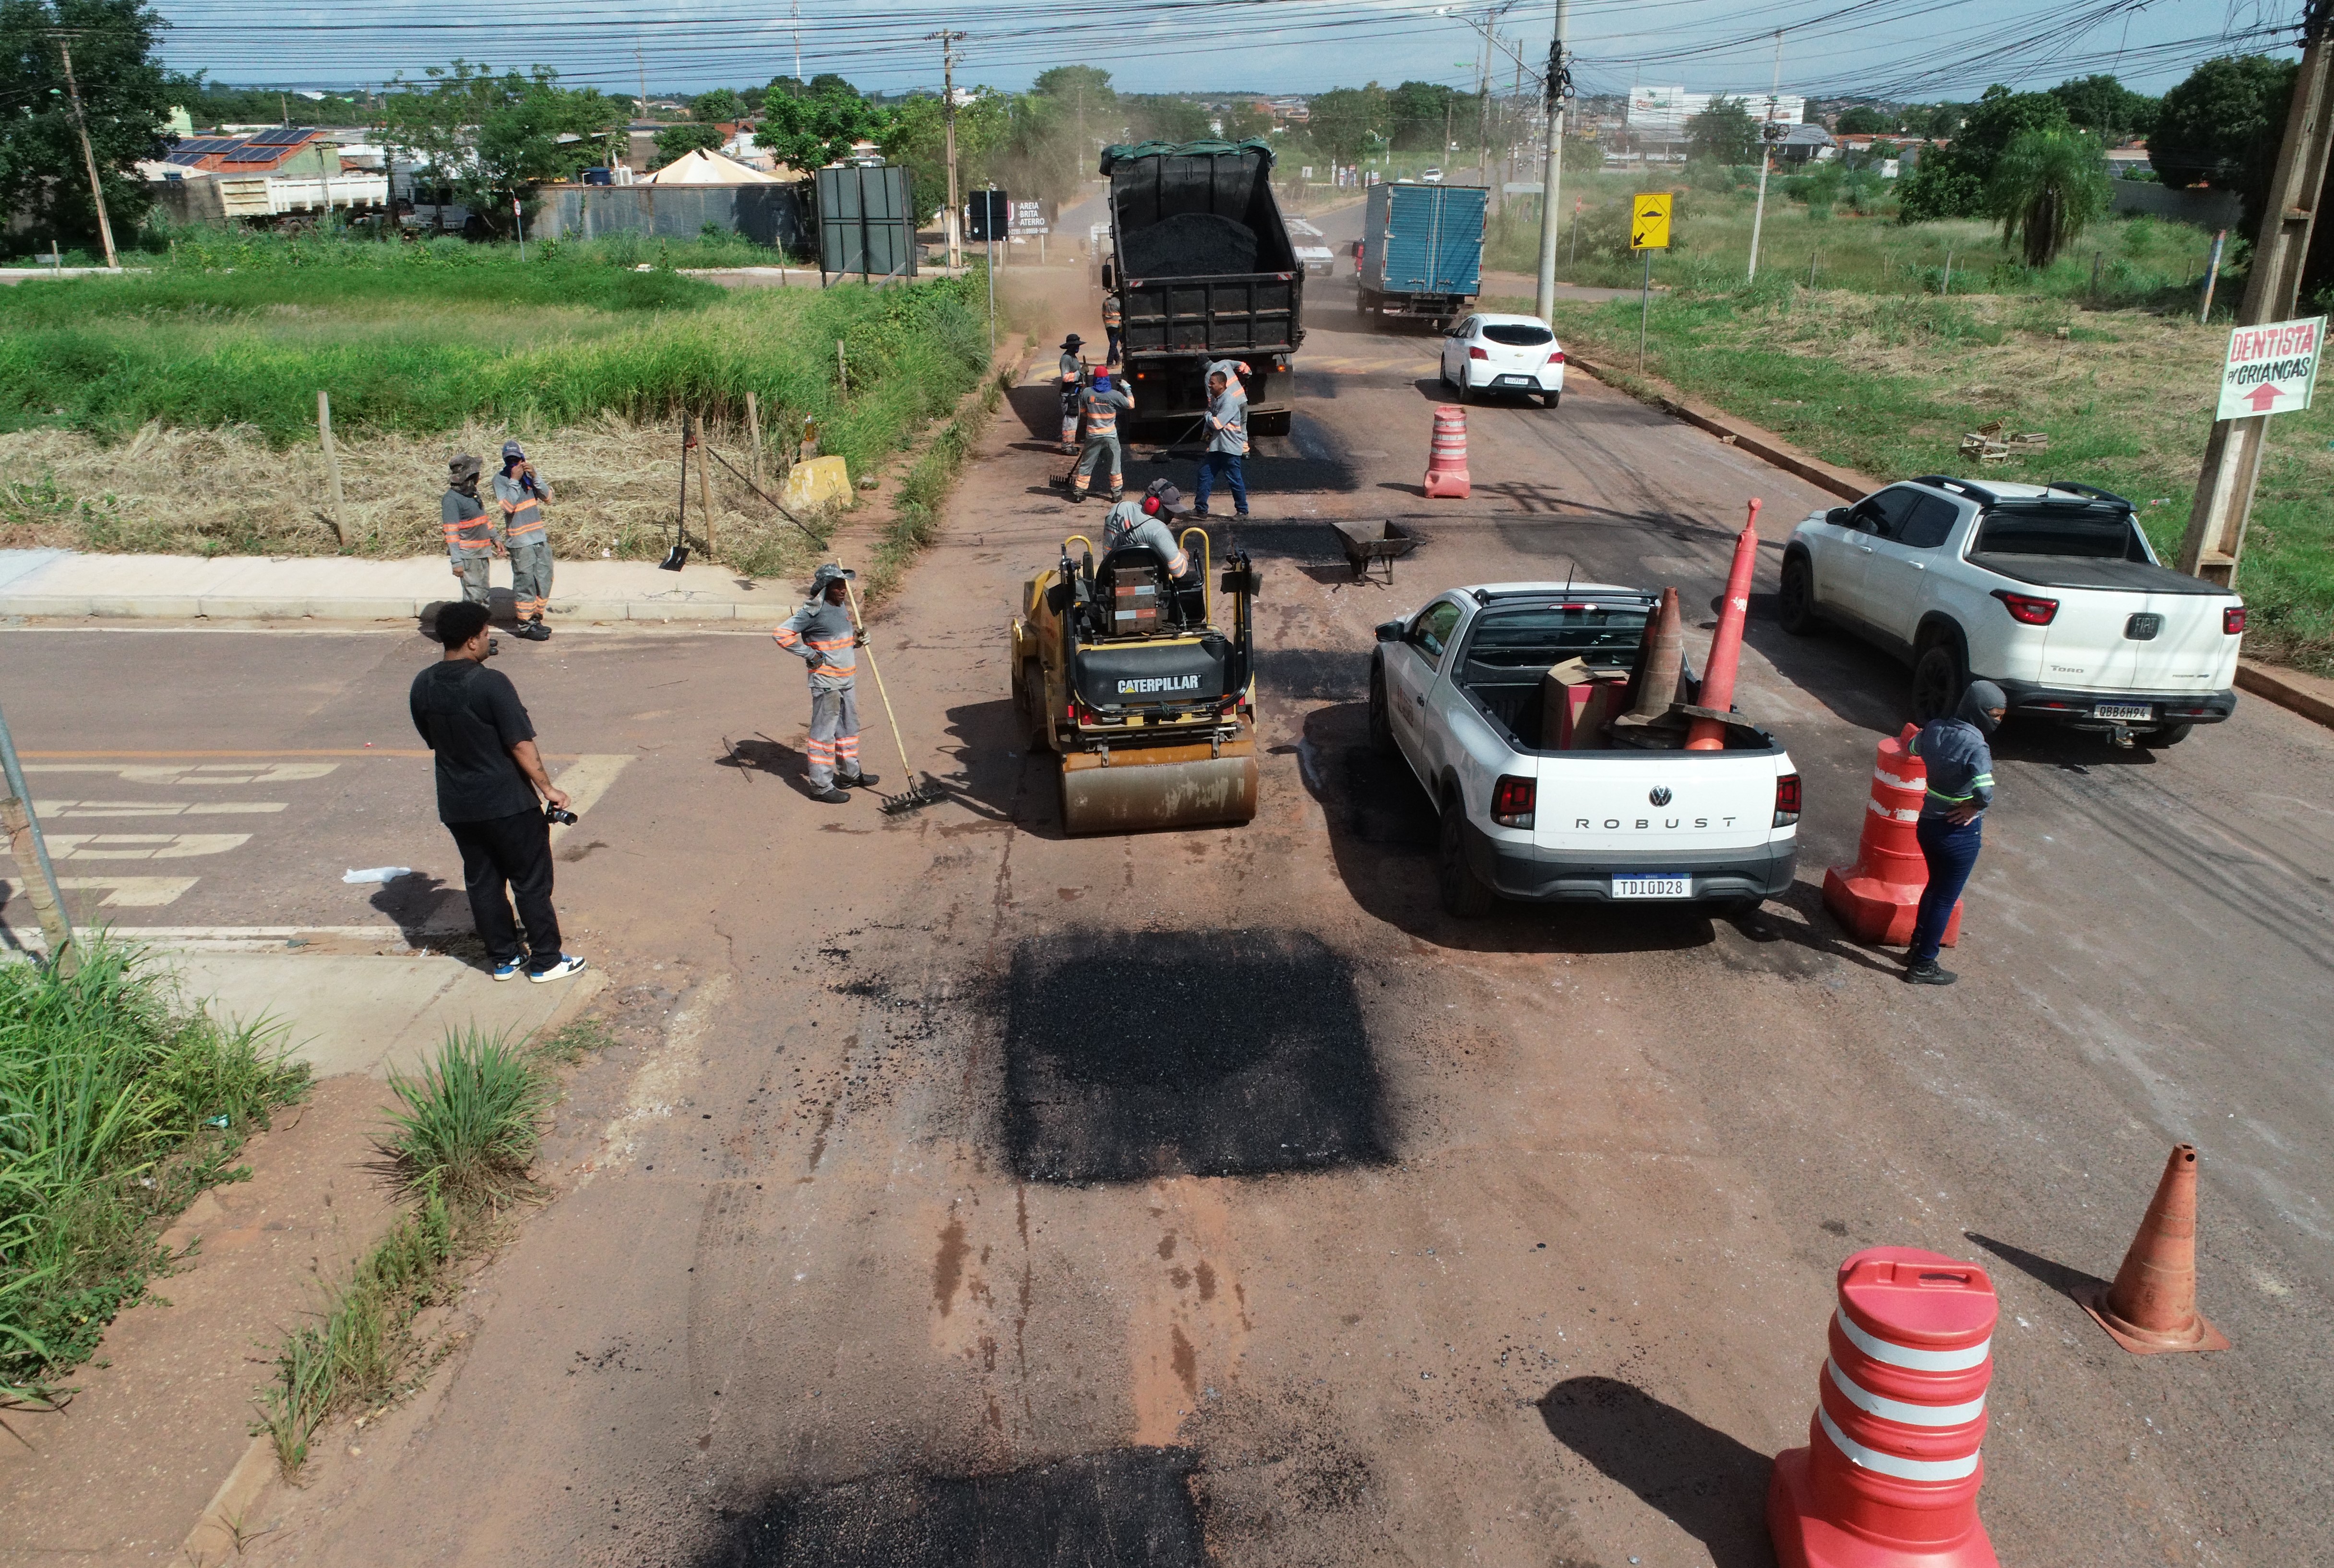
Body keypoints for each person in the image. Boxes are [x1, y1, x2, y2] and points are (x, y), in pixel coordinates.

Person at [407, 600, 586, 983]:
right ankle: (546, 961)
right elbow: (520, 743)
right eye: (487, 635)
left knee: (483, 881)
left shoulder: (423, 683)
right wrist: (549, 789)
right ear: (472, 642)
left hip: (458, 805)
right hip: (507, 803)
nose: (489, 642)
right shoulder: (490, 682)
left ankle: (504, 959)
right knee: (530, 882)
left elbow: (432, 739)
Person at [1903, 680, 2005, 986]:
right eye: (1995, 714)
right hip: (1958, 835)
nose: (1999, 721)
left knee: (1934, 888)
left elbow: (1911, 747)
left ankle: (1916, 946)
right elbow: (1985, 792)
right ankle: (1923, 964)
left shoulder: (1935, 729)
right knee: (1946, 898)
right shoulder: (1977, 746)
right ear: (1979, 712)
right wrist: (1974, 806)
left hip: (1927, 826)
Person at [773, 564, 881, 804]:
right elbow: (781, 634)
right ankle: (821, 786)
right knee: (824, 734)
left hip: (847, 680)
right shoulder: (813, 611)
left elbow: (839, 643)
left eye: (844, 586)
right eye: (837, 587)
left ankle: (850, 775)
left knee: (849, 729)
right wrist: (809, 654)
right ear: (825, 589)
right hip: (826, 682)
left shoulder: (841, 608)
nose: (843, 591)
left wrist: (858, 641)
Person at [1104, 481, 1202, 622]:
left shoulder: (1118, 509)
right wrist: (1183, 555)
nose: (1172, 516)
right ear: (1153, 504)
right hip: (1147, 595)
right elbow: (1178, 570)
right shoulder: (1157, 530)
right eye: (1169, 511)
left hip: (1111, 585)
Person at [493, 440, 556, 641]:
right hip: (520, 541)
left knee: (545, 580)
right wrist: (514, 480)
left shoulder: (530, 476)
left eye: (517, 459)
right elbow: (508, 507)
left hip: (538, 537)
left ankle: (536, 619)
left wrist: (535, 476)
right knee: (525, 584)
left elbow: (548, 497)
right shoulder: (501, 479)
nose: (514, 463)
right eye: (509, 460)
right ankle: (526, 626)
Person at [1191, 359, 1250, 519]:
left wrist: (1208, 415)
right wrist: (1206, 435)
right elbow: (1211, 426)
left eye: (1212, 383)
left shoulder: (1229, 402)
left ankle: (1243, 511)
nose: (1209, 386)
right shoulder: (1217, 401)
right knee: (1204, 475)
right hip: (1217, 448)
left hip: (1230, 449)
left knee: (1234, 480)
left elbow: (1217, 424)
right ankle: (1201, 509)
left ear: (1222, 385)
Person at [1068, 367, 1133, 504]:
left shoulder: (1087, 393)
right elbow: (1131, 405)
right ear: (1107, 379)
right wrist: (1127, 388)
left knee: (1087, 464)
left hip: (1093, 435)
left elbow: (1083, 411)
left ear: (1095, 379)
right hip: (1110, 437)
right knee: (1114, 464)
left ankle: (1079, 493)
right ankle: (1116, 494)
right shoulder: (1114, 395)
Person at [441, 455, 496, 609]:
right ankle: (472, 632)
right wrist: (457, 562)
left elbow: (483, 519)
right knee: (475, 599)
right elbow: (451, 533)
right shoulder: (451, 500)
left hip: (481, 554)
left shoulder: (473, 494)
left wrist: (496, 538)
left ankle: (480, 632)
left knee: (483, 595)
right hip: (468, 558)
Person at [1057, 334, 1086, 454]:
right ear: (1070, 346)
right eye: (1076, 346)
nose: (1078, 348)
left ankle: (1070, 445)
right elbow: (1065, 377)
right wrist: (1080, 373)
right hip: (1068, 394)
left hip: (1074, 394)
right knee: (1070, 421)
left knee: (1074, 421)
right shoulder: (1066, 359)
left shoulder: (1073, 357)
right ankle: (1067, 447)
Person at [1100, 292, 1124, 366]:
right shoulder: (1118, 302)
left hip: (1108, 325)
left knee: (1112, 343)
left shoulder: (1106, 301)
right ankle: (1110, 362)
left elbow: (1103, 314)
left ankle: (1117, 358)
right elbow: (1123, 313)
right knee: (1114, 344)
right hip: (1116, 325)